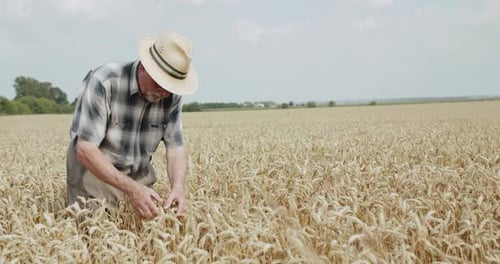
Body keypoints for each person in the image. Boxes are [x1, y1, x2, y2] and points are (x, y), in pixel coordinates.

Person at [66, 31, 198, 220]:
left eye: (171, 87)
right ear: (145, 66)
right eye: (160, 84)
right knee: (98, 238)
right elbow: (85, 150)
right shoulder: (104, 81)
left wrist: (178, 187)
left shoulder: (170, 95)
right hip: (95, 175)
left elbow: (175, 148)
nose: (166, 93)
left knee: (146, 238)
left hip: (138, 176)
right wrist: (132, 189)